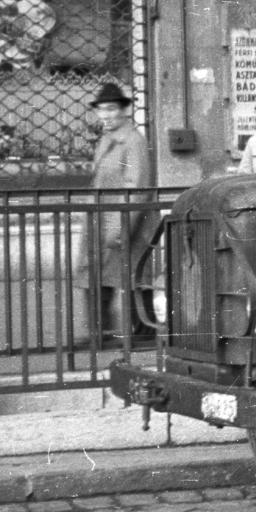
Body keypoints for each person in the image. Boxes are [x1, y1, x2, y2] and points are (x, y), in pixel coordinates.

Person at [87, 82, 155, 337]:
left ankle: (143, 335)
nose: (106, 115)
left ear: (125, 110)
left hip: (125, 223)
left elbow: (136, 186)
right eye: (101, 109)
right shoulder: (107, 140)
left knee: (134, 279)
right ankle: (100, 333)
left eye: (112, 109)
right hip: (105, 221)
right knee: (101, 277)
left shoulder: (132, 141)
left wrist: (119, 229)